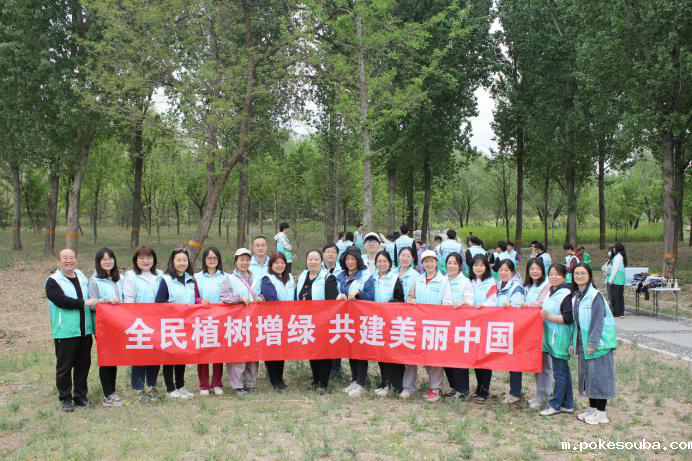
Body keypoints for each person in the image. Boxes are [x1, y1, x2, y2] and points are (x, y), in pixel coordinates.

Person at [46, 249, 99, 412]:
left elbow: (92, 296)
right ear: (58, 261)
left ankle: (80, 396)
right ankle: (65, 398)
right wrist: (84, 302)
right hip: (65, 331)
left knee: (83, 366)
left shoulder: (81, 276)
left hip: (84, 330)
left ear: (76, 260)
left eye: (71, 258)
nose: (69, 261)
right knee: (64, 367)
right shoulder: (53, 281)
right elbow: (61, 301)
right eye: (65, 258)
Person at [156, 248, 206, 399]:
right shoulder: (166, 279)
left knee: (181, 355)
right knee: (170, 357)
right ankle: (170, 389)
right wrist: (176, 309)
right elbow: (159, 302)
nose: (182, 263)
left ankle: (180, 385)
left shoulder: (191, 279)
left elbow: (195, 298)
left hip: (186, 324)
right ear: (172, 262)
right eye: (178, 260)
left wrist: (201, 301)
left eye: (184, 260)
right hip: (170, 324)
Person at [572, 263, 617, 425]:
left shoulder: (594, 296)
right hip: (584, 343)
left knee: (599, 377)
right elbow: (577, 324)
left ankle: (601, 413)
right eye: (576, 273)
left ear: (589, 276)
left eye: (583, 273)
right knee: (589, 376)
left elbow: (598, 321)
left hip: (597, 344)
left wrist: (592, 343)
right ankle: (592, 409)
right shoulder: (577, 295)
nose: (579, 276)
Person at [407, 250, 452, 403]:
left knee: (434, 358)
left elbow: (447, 303)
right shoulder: (417, 280)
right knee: (413, 355)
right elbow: (410, 297)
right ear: (422, 264)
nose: (429, 264)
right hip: (418, 325)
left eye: (432, 261)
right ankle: (408, 387)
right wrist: (411, 301)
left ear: (436, 263)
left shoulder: (444, 281)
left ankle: (435, 389)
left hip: (435, 325)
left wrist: (436, 313)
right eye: (426, 261)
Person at [123, 246, 163, 400]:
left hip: (157, 321)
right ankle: (139, 388)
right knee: (140, 355)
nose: (146, 261)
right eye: (142, 258)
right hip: (139, 322)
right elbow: (129, 300)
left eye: (149, 257)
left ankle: (152, 385)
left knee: (155, 354)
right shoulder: (131, 276)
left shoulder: (160, 275)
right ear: (136, 260)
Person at [296, 249, 339, 394]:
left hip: (323, 321)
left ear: (321, 261)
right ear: (306, 261)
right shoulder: (303, 275)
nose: (313, 262)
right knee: (312, 351)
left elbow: (332, 303)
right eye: (310, 259)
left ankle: (322, 382)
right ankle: (315, 378)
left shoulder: (328, 278)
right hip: (307, 321)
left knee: (323, 352)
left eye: (316, 259)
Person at [88, 247, 124, 407]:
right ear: (98, 262)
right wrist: (107, 300)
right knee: (106, 358)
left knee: (113, 359)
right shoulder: (94, 280)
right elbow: (91, 304)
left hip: (118, 324)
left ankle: (112, 392)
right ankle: (107, 395)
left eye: (110, 258)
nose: (107, 261)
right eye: (104, 259)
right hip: (103, 326)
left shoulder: (119, 278)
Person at [220, 248, 259, 394]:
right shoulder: (229, 278)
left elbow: (260, 293)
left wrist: (260, 297)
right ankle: (237, 385)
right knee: (237, 353)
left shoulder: (255, 279)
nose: (244, 262)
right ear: (236, 261)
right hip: (236, 321)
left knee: (252, 353)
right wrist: (239, 298)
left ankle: (250, 382)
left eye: (247, 260)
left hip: (253, 320)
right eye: (241, 259)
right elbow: (224, 297)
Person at [337, 247, 375, 396]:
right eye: (347, 259)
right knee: (350, 348)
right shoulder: (341, 276)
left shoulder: (366, 275)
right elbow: (336, 293)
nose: (350, 262)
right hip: (346, 318)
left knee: (360, 349)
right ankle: (354, 379)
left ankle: (361, 382)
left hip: (361, 317)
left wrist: (359, 293)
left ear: (358, 260)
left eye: (353, 259)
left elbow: (371, 297)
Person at [539, 264, 575, 417]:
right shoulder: (552, 290)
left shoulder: (565, 293)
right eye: (551, 274)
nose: (553, 277)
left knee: (559, 373)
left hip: (560, 337)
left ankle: (555, 405)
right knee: (563, 371)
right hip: (552, 336)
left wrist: (549, 317)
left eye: (557, 274)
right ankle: (567, 404)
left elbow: (568, 317)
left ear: (564, 277)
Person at [370, 251, 406, 397]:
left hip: (392, 321)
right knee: (381, 354)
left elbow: (400, 299)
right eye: (379, 261)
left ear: (390, 263)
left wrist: (389, 305)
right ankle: (384, 382)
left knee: (392, 354)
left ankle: (395, 385)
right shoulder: (372, 277)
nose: (382, 264)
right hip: (377, 321)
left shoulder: (395, 278)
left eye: (385, 261)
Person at [260, 252, 296, 392]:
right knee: (273, 349)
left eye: (282, 263)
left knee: (282, 351)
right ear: (271, 265)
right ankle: (275, 380)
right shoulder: (267, 279)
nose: (280, 265)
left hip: (288, 320)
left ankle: (279, 378)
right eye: (276, 263)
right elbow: (271, 300)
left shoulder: (290, 277)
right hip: (273, 320)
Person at [194, 247, 226, 396]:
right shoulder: (197, 277)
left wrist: (225, 300)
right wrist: (200, 300)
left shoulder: (225, 277)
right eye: (209, 258)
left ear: (218, 260)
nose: (212, 260)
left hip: (221, 318)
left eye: (215, 258)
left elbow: (230, 294)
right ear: (204, 260)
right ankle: (204, 385)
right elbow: (192, 296)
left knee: (218, 352)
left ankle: (217, 383)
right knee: (203, 352)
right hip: (202, 319)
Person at [442, 253, 473, 399]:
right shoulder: (443, 279)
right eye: (449, 262)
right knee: (446, 356)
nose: (452, 266)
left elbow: (470, 301)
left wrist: (463, 303)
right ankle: (454, 386)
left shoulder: (465, 282)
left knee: (458, 357)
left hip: (459, 324)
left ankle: (463, 389)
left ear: (460, 265)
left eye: (455, 263)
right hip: (445, 323)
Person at [468, 254, 498, 404]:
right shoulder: (470, 281)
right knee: (475, 357)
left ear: (486, 267)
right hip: (472, 324)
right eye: (475, 265)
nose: (478, 268)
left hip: (485, 323)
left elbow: (493, 301)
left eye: (481, 265)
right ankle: (479, 387)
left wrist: (483, 306)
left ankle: (485, 390)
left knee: (484, 357)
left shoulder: (491, 282)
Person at [523, 258, 552, 409]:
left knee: (544, 365)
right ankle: (540, 395)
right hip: (531, 330)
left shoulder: (547, 285)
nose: (535, 271)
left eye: (538, 268)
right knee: (537, 363)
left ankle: (545, 397)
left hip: (544, 328)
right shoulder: (528, 286)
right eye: (532, 268)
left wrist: (528, 305)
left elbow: (541, 303)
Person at [496, 260, 526, 404]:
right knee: (509, 360)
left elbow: (518, 308)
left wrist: (510, 307)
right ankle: (514, 389)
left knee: (515, 361)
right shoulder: (498, 285)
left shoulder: (517, 287)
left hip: (514, 329)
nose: (503, 273)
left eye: (506, 270)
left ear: (512, 272)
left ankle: (515, 392)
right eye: (501, 270)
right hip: (501, 328)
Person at [397, 246, 421, 399]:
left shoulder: (417, 276)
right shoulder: (392, 272)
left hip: (409, 318)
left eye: (408, 256)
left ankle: (409, 386)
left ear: (412, 258)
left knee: (408, 352)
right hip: (392, 316)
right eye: (402, 255)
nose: (405, 258)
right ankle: (395, 382)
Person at [607, 242, 627, 318]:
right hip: (619, 280)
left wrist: (610, 280)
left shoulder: (617, 257)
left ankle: (617, 313)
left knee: (616, 297)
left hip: (616, 280)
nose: (613, 249)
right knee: (619, 296)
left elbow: (614, 270)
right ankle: (620, 312)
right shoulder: (620, 256)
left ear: (617, 249)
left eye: (614, 248)